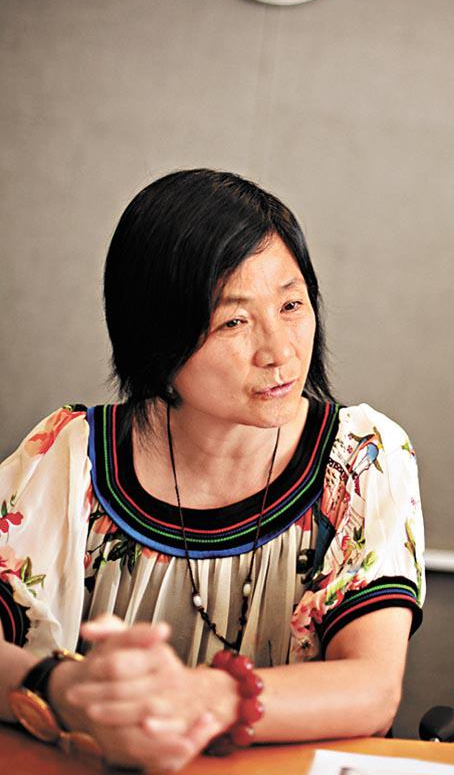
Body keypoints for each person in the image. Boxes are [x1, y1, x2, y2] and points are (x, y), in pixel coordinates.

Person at [0, 169, 425, 771]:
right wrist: (67, 691)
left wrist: (200, 698)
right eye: (233, 321)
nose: (279, 351)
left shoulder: (361, 458)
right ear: (155, 334)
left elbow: (372, 688)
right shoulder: (73, 453)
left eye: (291, 305)